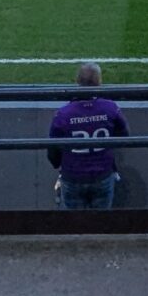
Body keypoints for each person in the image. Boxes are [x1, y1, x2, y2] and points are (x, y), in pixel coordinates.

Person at [48, 62, 129, 210]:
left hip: (73, 175)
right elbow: (124, 135)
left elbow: (53, 150)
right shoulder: (110, 108)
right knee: (101, 220)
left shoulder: (63, 114)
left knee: (74, 221)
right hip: (102, 173)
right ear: (99, 82)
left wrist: (58, 165)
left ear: (77, 81)